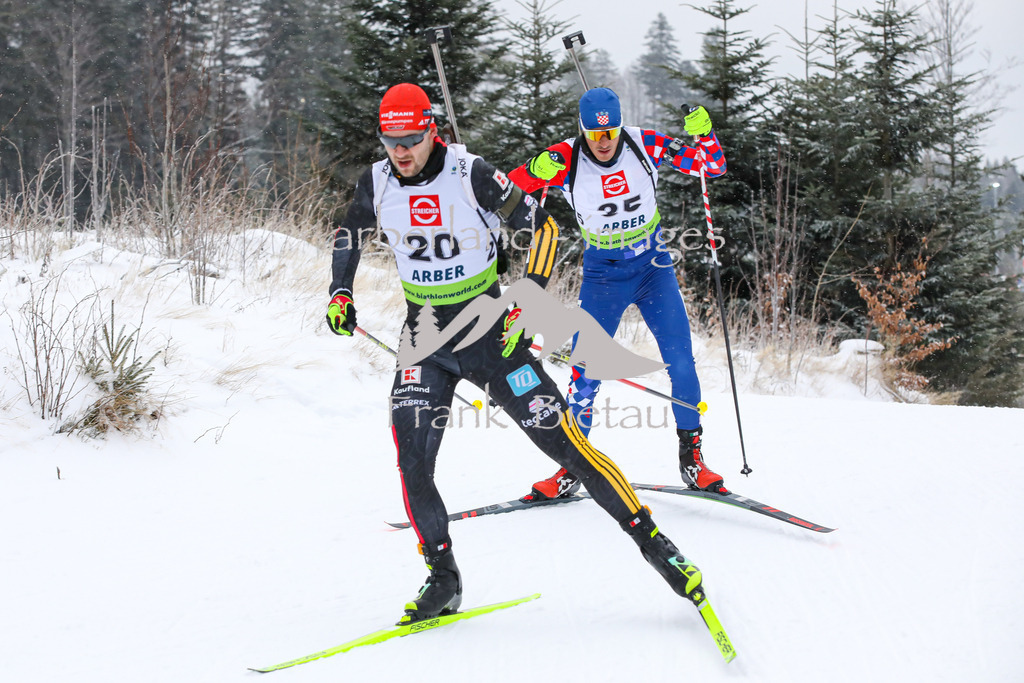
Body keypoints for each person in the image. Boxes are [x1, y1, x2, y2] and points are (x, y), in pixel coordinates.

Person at [327, 82, 712, 624]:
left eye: (411, 137)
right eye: (391, 140)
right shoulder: (379, 180)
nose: (402, 150)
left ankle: (658, 547)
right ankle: (443, 578)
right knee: (413, 459)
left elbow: (542, 225)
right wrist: (340, 290)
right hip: (426, 337)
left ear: (431, 130)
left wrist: (525, 297)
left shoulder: (471, 173)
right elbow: (348, 233)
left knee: (568, 447)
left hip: (491, 335)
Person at [507, 87, 728, 502]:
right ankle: (573, 468)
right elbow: (508, 192)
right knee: (585, 373)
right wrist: (535, 170)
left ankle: (692, 461)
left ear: (620, 126)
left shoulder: (646, 144)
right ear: (582, 130)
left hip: (653, 268)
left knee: (680, 362)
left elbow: (711, 167)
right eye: (594, 134)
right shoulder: (564, 158)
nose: (604, 142)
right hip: (604, 275)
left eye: (610, 133)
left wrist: (706, 134)